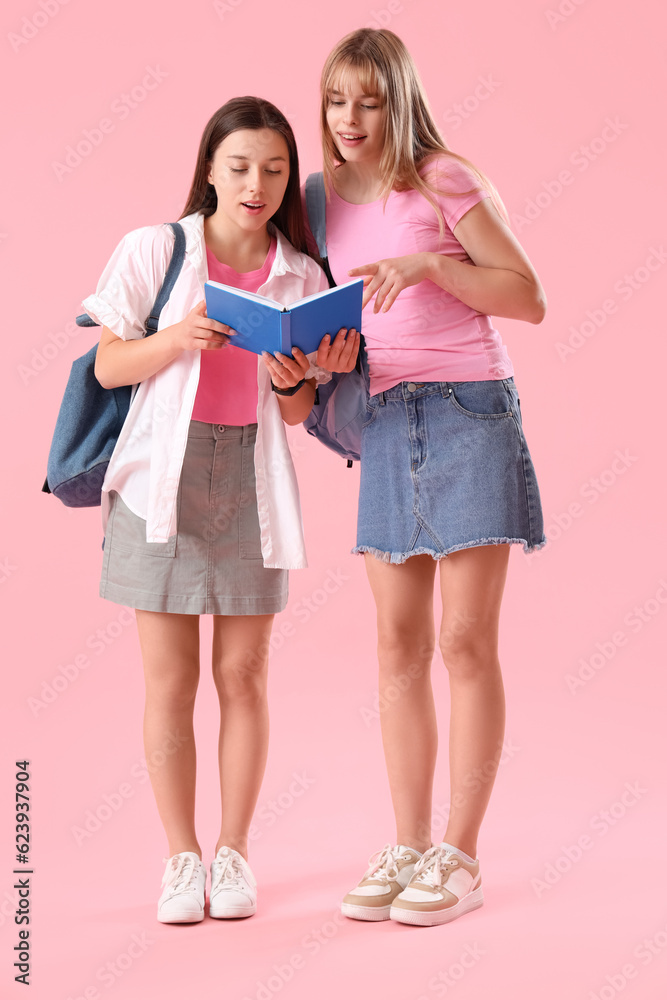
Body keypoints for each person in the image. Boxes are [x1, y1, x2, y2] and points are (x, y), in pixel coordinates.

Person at [83, 96, 358, 924]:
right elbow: (106, 367)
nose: (258, 184)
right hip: (158, 479)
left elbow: (302, 415)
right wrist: (179, 338)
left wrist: (301, 381)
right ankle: (180, 858)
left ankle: (233, 853)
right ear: (208, 167)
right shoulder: (156, 249)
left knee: (241, 675)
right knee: (169, 682)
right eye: (239, 166)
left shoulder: (301, 276)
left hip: (248, 475)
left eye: (275, 170)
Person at [305, 29, 547, 927]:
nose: (350, 119)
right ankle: (407, 841)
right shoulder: (315, 200)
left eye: (369, 100)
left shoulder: (444, 177)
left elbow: (527, 294)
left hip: (469, 411)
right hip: (381, 412)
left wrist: (432, 266)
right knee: (397, 648)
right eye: (336, 99)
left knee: (464, 644)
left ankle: (461, 854)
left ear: (398, 101)